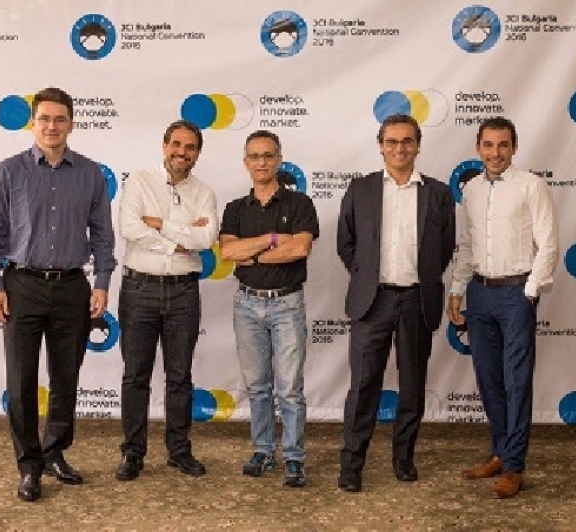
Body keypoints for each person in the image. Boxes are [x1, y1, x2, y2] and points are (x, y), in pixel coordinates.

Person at [0, 87, 117, 502]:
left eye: (59, 119)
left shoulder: (90, 173)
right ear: (32, 123)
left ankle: (55, 452)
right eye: (44, 118)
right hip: (21, 286)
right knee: (21, 380)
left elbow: (103, 235)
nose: (51, 126)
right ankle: (29, 465)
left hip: (73, 287)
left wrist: (102, 282)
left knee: (65, 376)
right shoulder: (9, 171)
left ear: (71, 124)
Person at [336, 114, 455, 493]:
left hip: (417, 301)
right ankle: (352, 463)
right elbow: (346, 243)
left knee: (412, 386)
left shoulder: (438, 193)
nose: (399, 148)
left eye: (407, 141)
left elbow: (445, 248)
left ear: (418, 145)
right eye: (391, 141)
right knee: (363, 386)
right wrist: (367, 277)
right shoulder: (361, 189)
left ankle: (404, 458)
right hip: (372, 302)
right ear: (381, 146)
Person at [448, 116, 558, 499]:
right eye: (489, 145)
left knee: (516, 381)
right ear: (478, 148)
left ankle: (514, 466)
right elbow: (467, 245)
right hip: (479, 294)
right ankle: (499, 452)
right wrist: (457, 290)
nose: (495, 153)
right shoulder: (472, 190)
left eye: (503, 145)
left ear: (514, 148)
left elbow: (548, 243)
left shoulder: (531, 185)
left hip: (516, 295)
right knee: (489, 379)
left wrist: (529, 291)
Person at [114, 120, 219, 481]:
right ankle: (132, 452)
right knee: (135, 375)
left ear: (197, 153)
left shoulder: (204, 193)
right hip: (138, 290)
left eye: (190, 147)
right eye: (176, 144)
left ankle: (179, 450)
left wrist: (160, 224)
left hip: (183, 292)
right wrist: (177, 243)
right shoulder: (138, 181)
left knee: (179, 376)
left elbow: (205, 239)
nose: (181, 152)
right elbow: (130, 228)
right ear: (164, 146)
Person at [219, 130, 319, 488]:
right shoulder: (235, 209)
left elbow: (300, 249)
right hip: (246, 304)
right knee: (258, 386)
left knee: (289, 388)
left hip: (287, 303)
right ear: (246, 162)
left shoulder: (300, 204)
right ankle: (263, 450)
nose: (261, 162)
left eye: (268, 155)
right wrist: (273, 239)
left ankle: (293, 457)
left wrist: (254, 255)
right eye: (255, 156)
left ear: (279, 159)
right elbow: (228, 252)